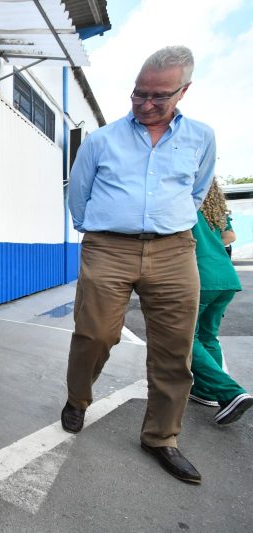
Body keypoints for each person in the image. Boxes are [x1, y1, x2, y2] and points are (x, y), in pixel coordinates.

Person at [63, 46, 216, 484]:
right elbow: (79, 192)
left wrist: (170, 224)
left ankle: (161, 437)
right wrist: (92, 229)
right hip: (109, 247)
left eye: (159, 97)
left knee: (175, 349)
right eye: (138, 94)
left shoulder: (201, 138)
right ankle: (78, 398)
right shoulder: (102, 140)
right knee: (95, 334)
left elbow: (197, 192)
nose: (146, 105)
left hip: (173, 251)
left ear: (183, 91)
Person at [189, 180, 251, 423]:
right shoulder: (213, 208)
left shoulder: (186, 205)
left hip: (200, 277)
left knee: (185, 339)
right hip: (225, 277)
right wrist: (211, 244)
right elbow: (230, 236)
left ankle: (231, 391)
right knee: (207, 336)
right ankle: (206, 392)